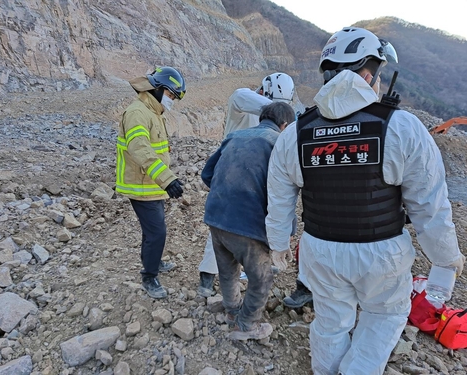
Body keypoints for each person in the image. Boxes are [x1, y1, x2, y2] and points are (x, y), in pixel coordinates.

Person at [265, 27, 465, 374]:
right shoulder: (400, 126)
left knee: (330, 320)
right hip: (381, 253)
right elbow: (429, 205)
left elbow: (279, 194)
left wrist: (278, 243)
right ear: (369, 74)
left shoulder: (297, 131)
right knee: (385, 315)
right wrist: (445, 260)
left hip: (320, 250)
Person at [197, 72, 300, 297]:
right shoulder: (241, 99)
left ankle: (243, 276)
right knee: (223, 231)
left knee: (243, 230)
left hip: (252, 179)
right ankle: (207, 277)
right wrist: (280, 111)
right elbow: (244, 97)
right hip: (232, 175)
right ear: (263, 92)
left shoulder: (272, 125)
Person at [202, 102, 296, 340]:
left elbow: (207, 174)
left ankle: (232, 311)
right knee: (261, 278)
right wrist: (286, 233)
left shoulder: (235, 136)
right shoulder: (279, 142)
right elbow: (284, 193)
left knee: (227, 270)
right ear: (284, 125)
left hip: (216, 216)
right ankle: (246, 326)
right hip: (248, 223)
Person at [116, 66, 186, 299]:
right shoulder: (137, 112)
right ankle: (149, 275)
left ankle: (152, 260)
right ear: (157, 89)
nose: (172, 100)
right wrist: (167, 179)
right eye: (171, 94)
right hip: (142, 186)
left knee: (152, 230)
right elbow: (140, 148)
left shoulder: (152, 112)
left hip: (151, 185)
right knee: (157, 233)